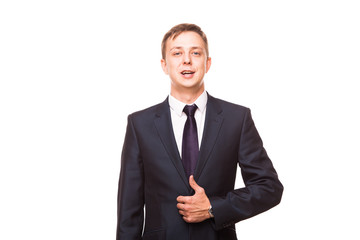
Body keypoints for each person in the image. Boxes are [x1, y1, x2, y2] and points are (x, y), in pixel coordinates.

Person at [116, 23, 283, 240]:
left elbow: (269, 187)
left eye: (196, 52)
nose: (187, 60)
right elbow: (129, 211)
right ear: (164, 65)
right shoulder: (140, 124)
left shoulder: (236, 119)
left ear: (208, 63)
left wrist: (214, 207)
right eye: (177, 53)